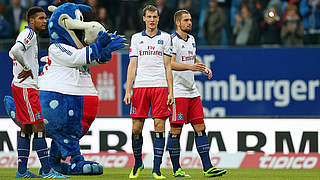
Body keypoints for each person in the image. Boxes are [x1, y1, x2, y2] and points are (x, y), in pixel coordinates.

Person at [8, 6, 69, 178]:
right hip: (26, 87)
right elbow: (14, 51)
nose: (45, 21)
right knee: (39, 126)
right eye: (41, 18)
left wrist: (26, 66)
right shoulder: (29, 34)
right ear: (32, 21)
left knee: (26, 127)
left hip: (22, 86)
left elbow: (11, 53)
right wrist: (27, 67)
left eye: (45, 18)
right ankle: (47, 170)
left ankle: (21, 171)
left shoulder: (27, 35)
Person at [168, 9, 227, 178]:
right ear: (178, 23)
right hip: (178, 92)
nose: (189, 23)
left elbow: (191, 59)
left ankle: (208, 167)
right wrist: (190, 67)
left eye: (190, 20)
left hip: (192, 91)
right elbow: (170, 64)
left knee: (200, 128)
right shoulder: (172, 41)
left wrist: (203, 67)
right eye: (186, 20)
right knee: (176, 130)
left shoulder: (192, 39)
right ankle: (176, 169)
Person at [123, 4, 174, 179]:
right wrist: (128, 90)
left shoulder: (166, 38)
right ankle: (137, 163)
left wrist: (171, 92)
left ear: (158, 19)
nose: (152, 20)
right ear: (144, 18)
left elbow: (168, 67)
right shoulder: (136, 38)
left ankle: (157, 168)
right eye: (149, 17)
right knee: (136, 128)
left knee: (159, 126)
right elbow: (132, 65)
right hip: (140, 87)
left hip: (160, 86)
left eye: (155, 17)